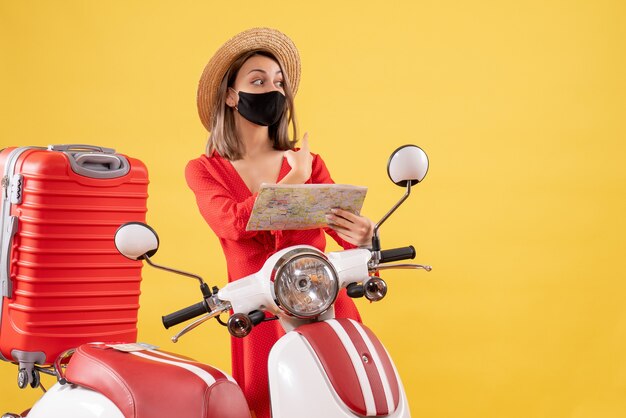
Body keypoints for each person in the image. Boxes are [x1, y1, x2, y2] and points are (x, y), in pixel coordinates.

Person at [185, 27, 373, 418]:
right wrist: (292, 180)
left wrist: (362, 235)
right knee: (266, 402)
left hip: (324, 301)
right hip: (259, 312)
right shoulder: (205, 171)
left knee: (352, 393)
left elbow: (343, 234)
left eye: (279, 82)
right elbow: (232, 224)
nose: (272, 89)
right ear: (232, 96)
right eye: (258, 81)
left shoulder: (309, 162)